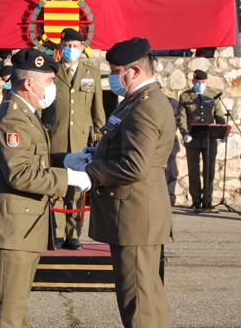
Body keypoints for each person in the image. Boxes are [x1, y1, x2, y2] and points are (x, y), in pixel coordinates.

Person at [0, 48, 92, 328]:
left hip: (20, 231)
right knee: (7, 317)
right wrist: (69, 178)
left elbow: (30, 159)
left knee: (16, 314)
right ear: (29, 83)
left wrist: (66, 160)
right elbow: (21, 174)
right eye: (50, 81)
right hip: (9, 233)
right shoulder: (13, 119)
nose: (53, 87)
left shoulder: (26, 113)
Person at [70, 37, 176, 327]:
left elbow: (134, 165)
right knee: (146, 297)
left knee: (138, 303)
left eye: (116, 72)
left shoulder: (146, 106)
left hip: (135, 216)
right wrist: (93, 155)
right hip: (135, 214)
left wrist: (90, 173)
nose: (112, 78)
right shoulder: (135, 102)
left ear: (135, 71)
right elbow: (123, 148)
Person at [42, 28, 105, 250]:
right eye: (67, 46)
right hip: (55, 139)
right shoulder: (51, 71)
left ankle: (73, 234)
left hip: (80, 142)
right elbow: (42, 107)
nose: (71, 50)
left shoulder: (91, 72)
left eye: (75, 46)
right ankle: (56, 232)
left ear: (82, 49)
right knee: (56, 186)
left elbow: (98, 109)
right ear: (61, 48)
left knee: (76, 191)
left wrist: (99, 137)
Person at [176, 69, 225, 210]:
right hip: (193, 139)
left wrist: (222, 129)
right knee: (194, 170)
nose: (200, 84)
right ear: (193, 81)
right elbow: (181, 118)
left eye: (203, 82)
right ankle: (196, 201)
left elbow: (219, 114)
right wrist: (185, 133)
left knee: (209, 170)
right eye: (198, 82)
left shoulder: (212, 95)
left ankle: (207, 201)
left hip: (210, 139)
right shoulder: (185, 96)